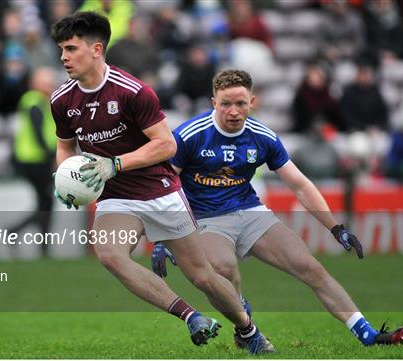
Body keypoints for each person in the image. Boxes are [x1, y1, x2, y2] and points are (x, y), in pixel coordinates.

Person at [49, 12, 273, 354]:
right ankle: (190, 316)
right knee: (109, 253)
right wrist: (65, 177)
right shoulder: (62, 100)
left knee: (203, 276)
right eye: (61, 50)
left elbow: (166, 145)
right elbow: (65, 146)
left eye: (70, 48)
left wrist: (116, 164)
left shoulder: (133, 91)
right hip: (116, 198)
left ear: (96, 49)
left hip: (160, 192)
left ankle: (248, 329)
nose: (63, 57)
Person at [151, 69, 403, 347]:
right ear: (214, 103)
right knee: (224, 269)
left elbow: (299, 184)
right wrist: (167, 237)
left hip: (250, 211)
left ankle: (367, 334)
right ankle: (246, 328)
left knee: (310, 268)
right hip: (205, 218)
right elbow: (163, 184)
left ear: (253, 101)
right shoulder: (190, 135)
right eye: (226, 103)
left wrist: (335, 227)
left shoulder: (263, 136)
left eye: (240, 103)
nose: (234, 111)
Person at [9, 67, 58, 257]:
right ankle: (37, 243)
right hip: (34, 160)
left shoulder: (40, 101)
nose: (51, 85)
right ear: (37, 84)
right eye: (47, 81)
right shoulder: (34, 101)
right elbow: (38, 133)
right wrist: (51, 155)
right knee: (46, 202)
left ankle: (21, 234)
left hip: (37, 160)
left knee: (45, 202)